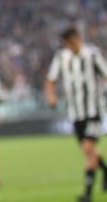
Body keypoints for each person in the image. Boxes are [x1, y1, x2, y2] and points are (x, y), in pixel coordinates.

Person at [45, 27, 107, 202]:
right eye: (67, 44)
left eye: (72, 42)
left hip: (94, 111)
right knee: (89, 151)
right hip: (75, 113)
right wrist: (51, 96)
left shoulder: (92, 55)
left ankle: (87, 194)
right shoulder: (61, 57)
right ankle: (105, 170)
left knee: (88, 148)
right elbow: (50, 80)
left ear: (78, 39)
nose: (71, 46)